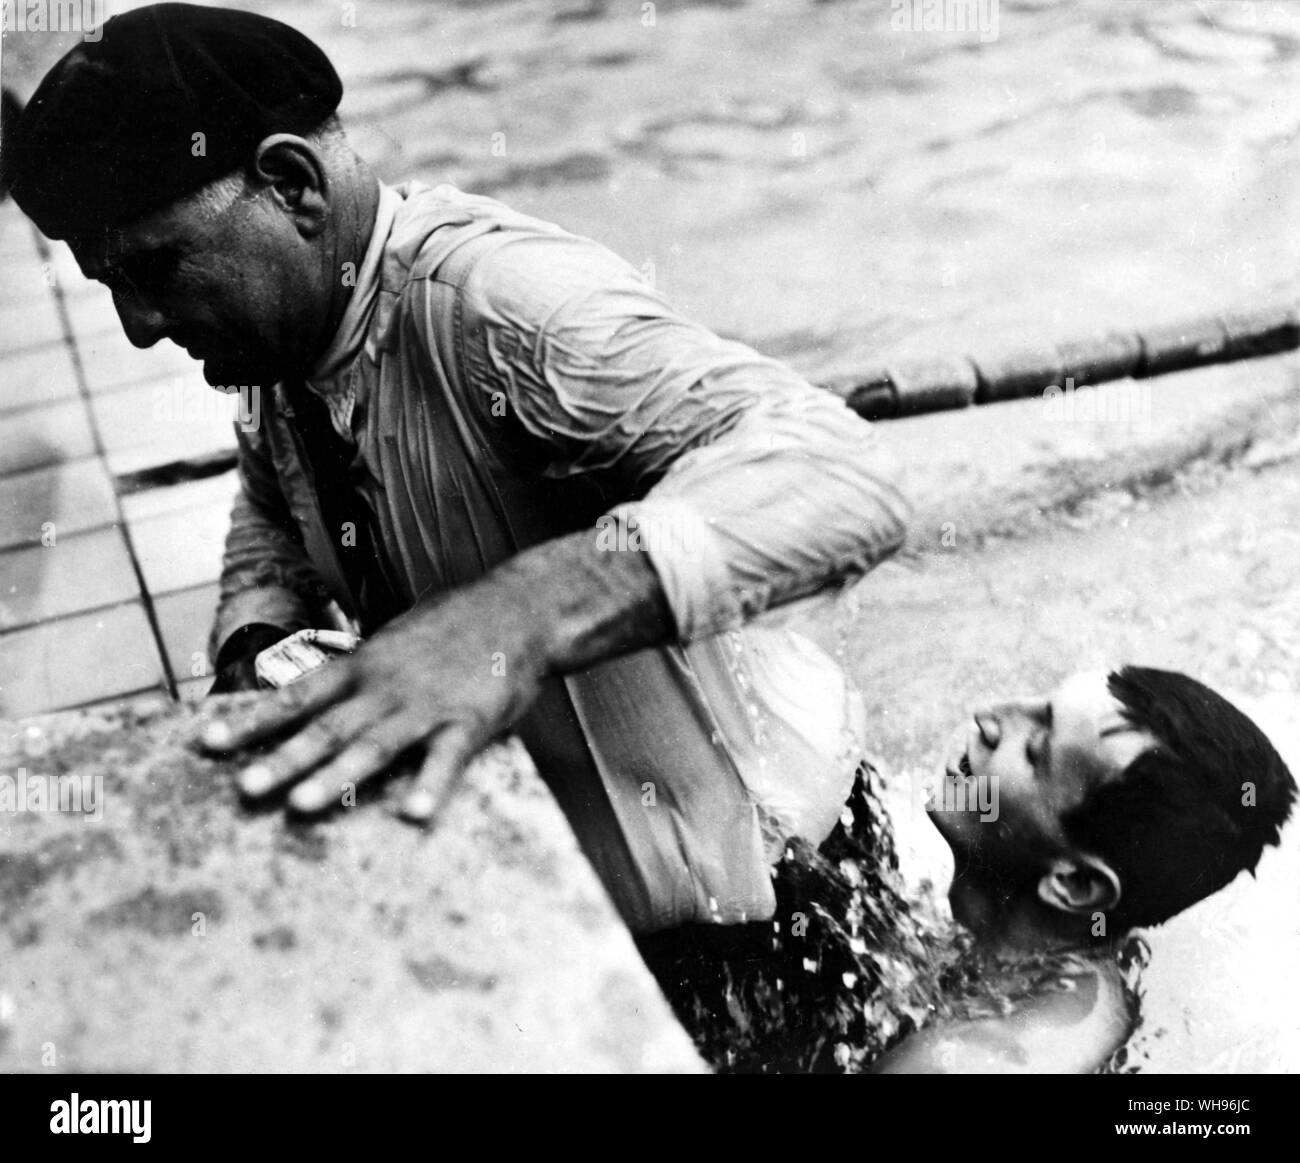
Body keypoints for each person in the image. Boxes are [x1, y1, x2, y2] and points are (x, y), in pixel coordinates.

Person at [5, 4, 908, 936]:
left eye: (155, 268)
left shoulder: (501, 308)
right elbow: (271, 519)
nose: (139, 326)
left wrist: (510, 617)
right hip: (584, 916)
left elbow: (844, 470)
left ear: (291, 184)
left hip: (797, 902)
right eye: (110, 286)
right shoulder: (282, 351)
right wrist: (254, 650)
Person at [641, 666, 1296, 1072]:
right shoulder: (1031, 951)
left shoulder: (970, 1061)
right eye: (1037, 702)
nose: (991, 717)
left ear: (1073, 883)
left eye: (1035, 747)